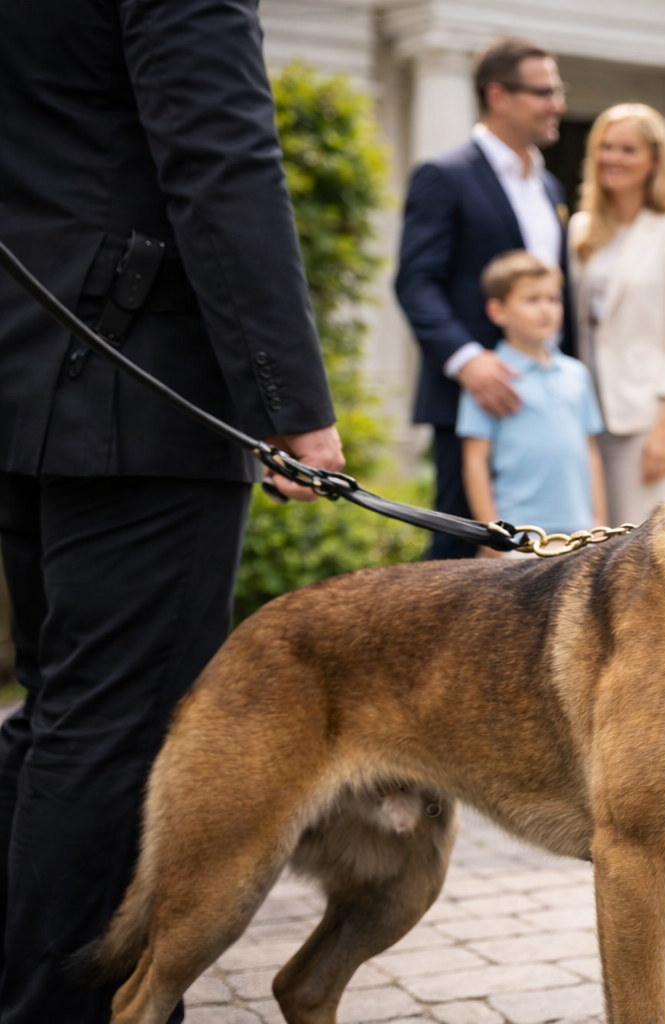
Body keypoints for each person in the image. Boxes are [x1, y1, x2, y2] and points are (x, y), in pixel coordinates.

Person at [0, 0, 342, 1020]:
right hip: (134, 380)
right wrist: (292, 407)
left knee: (60, 712)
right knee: (119, 728)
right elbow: (222, 159)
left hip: (27, 369)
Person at [396, 36, 575, 559]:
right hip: (470, 398)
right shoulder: (444, 177)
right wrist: (469, 363)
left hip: (543, 401)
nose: (557, 105)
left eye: (557, 91)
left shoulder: (550, 189)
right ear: (498, 95)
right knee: (459, 549)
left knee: (543, 557)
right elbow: (415, 283)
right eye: (543, 92)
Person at [568, 104, 665, 526]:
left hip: (646, 416)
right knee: (587, 546)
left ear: (654, 160)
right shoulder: (580, 229)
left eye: (627, 149)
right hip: (584, 412)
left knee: (641, 543)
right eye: (606, 147)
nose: (613, 158)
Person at [459, 252, 606, 554]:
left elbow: (590, 451)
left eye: (553, 299)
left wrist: (599, 520)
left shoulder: (576, 374)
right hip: (518, 535)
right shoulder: (491, 378)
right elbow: (475, 460)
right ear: (498, 311)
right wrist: (491, 534)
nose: (546, 309)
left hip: (579, 533)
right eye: (532, 300)